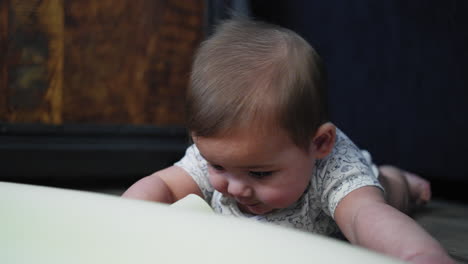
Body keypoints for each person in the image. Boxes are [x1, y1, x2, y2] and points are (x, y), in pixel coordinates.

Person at [123, 18, 454, 264]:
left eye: (261, 173)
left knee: (387, 192)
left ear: (319, 144)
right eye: (218, 166)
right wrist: (121, 220)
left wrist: (419, 255)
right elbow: (162, 186)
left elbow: (364, 218)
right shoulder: (223, 153)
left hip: (370, 182)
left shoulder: (334, 168)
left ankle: (403, 181)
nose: (235, 188)